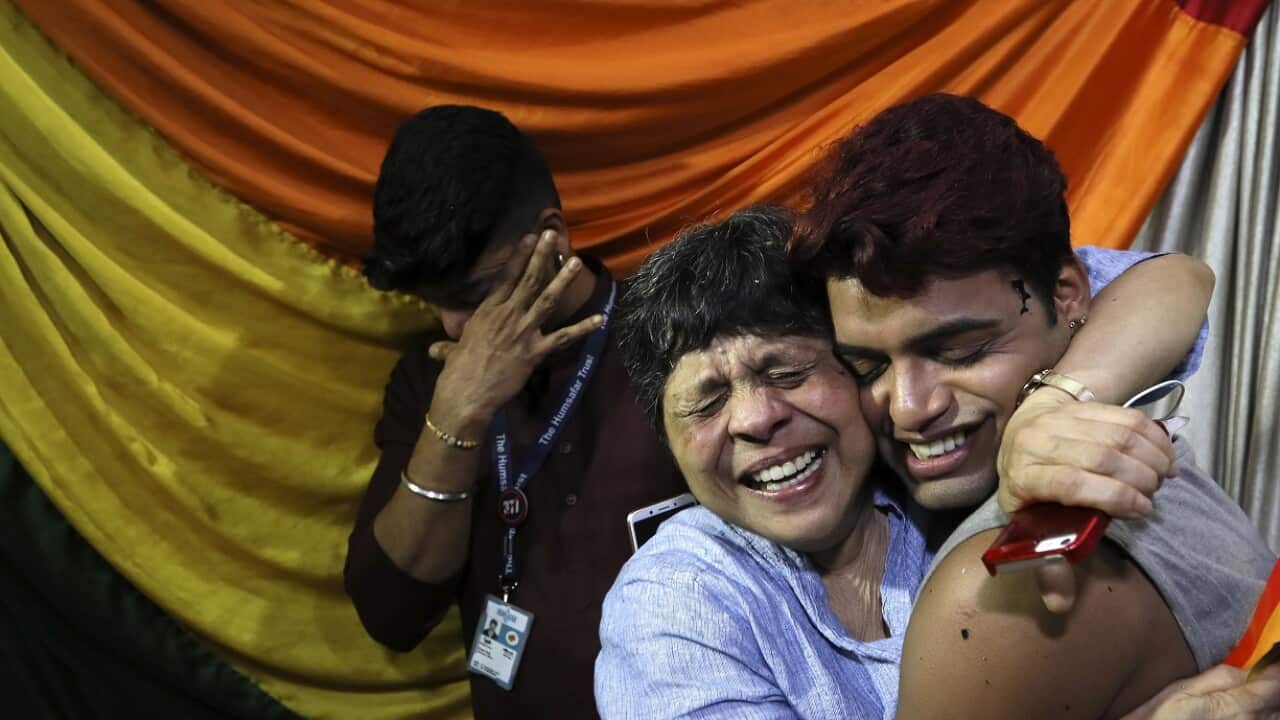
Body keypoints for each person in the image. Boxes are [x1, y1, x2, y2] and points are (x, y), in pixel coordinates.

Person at [594, 201, 1270, 718]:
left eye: (787, 372)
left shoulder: (928, 452)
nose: (754, 418)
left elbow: (1169, 281)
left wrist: (1051, 407)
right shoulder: (675, 604)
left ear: (861, 364)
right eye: (706, 401)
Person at [788, 93, 1275, 718]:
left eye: (961, 352)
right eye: (867, 366)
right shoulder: (1134, 431)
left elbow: (1177, 277)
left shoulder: (993, 595)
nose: (909, 409)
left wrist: (1055, 402)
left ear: (1071, 295)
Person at [344, 105, 686, 718]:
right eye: (434, 303)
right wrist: (457, 414)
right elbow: (391, 615)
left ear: (552, 236)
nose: (455, 327)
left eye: (475, 296)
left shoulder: (679, 336)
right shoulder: (429, 379)